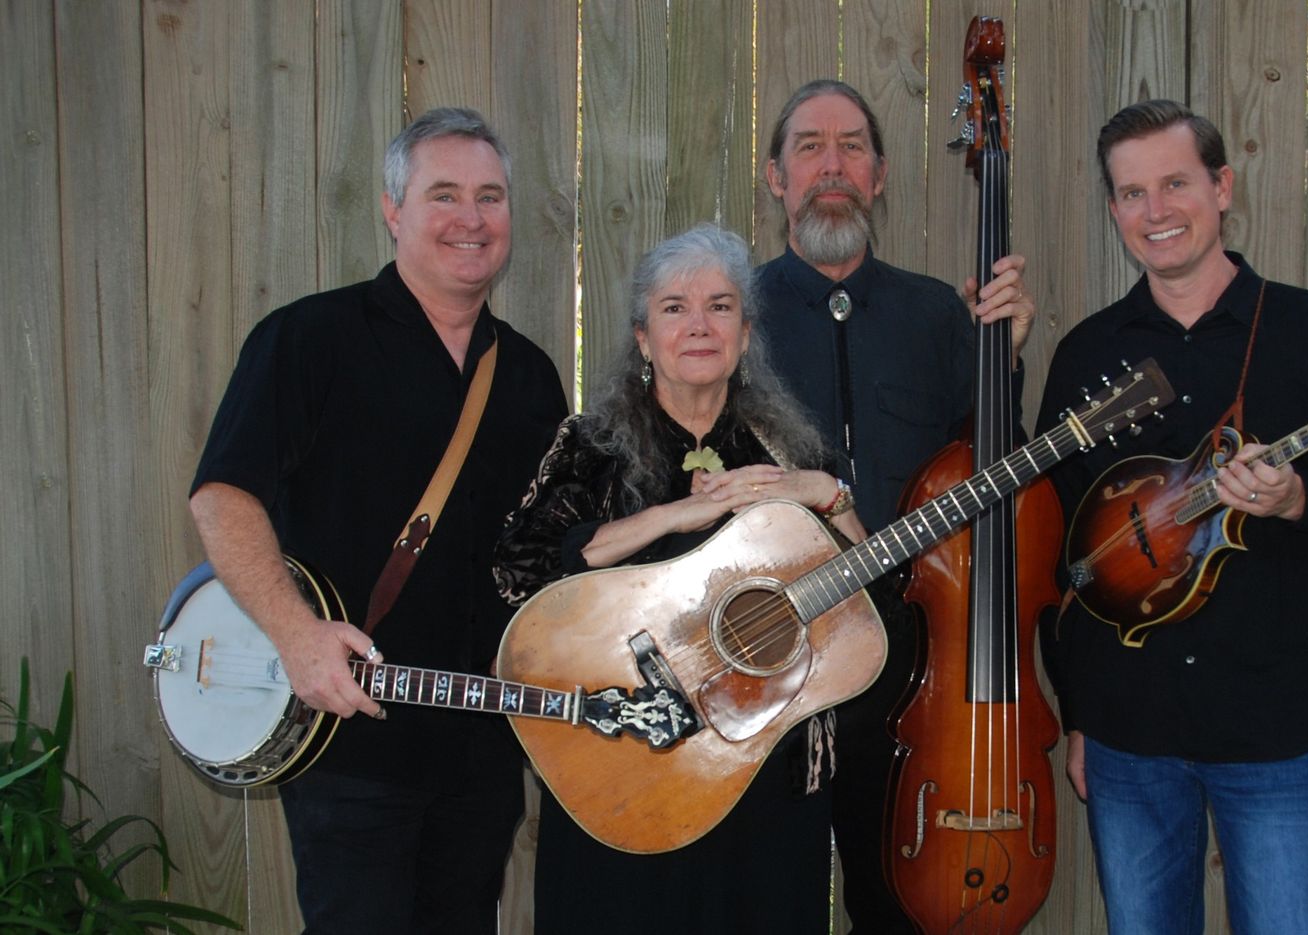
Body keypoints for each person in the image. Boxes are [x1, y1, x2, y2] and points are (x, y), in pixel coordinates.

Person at [1035, 99, 1308, 934]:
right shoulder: (1086, 353)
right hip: (1126, 733)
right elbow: (1057, 554)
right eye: (1133, 192)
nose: (1156, 210)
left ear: (1222, 188)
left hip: (1271, 729)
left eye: (1176, 183)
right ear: (1113, 209)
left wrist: (1300, 498)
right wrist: (1079, 716)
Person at [189, 107, 568, 933]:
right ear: (393, 211)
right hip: (348, 743)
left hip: (480, 753)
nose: (471, 218)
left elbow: (551, 553)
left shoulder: (532, 376)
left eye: (490, 197)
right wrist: (296, 635)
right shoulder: (307, 339)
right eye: (444, 195)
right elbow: (222, 496)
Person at [493, 224, 870, 933]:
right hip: (622, 765)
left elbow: (872, 601)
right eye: (674, 308)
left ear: (745, 334)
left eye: (720, 306)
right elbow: (519, 574)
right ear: (643, 337)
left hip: (765, 771)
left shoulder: (790, 450)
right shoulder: (590, 447)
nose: (699, 324)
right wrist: (673, 515)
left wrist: (827, 492)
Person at [755, 78, 1037, 932]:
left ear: (878, 177)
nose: (831, 167)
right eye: (810, 147)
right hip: (769, 661)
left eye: (851, 148)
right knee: (767, 900)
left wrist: (1005, 361)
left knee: (895, 906)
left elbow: (997, 480)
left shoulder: (937, 316)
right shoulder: (734, 317)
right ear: (776, 177)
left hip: (910, 672)